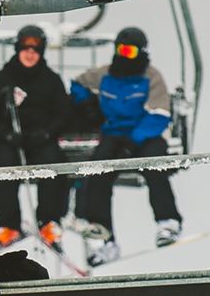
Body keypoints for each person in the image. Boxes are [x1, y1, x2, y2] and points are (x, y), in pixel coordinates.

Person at [69, 25, 182, 267]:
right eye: (120, 50)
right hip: (114, 133)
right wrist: (88, 105)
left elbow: (159, 114)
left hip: (144, 134)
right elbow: (78, 84)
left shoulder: (150, 77)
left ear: (140, 52)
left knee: (154, 167)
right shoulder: (106, 75)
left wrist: (134, 141)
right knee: (98, 175)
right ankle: (104, 238)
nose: (123, 55)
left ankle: (168, 222)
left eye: (130, 51)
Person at [0, 22, 74, 246]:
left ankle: (49, 220)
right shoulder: (3, 78)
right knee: (4, 164)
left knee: (52, 163)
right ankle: (8, 224)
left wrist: (46, 133)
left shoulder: (51, 79)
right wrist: (6, 134)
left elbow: (63, 113)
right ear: (18, 49)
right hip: (10, 138)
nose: (30, 54)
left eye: (35, 50)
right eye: (25, 49)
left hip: (40, 139)